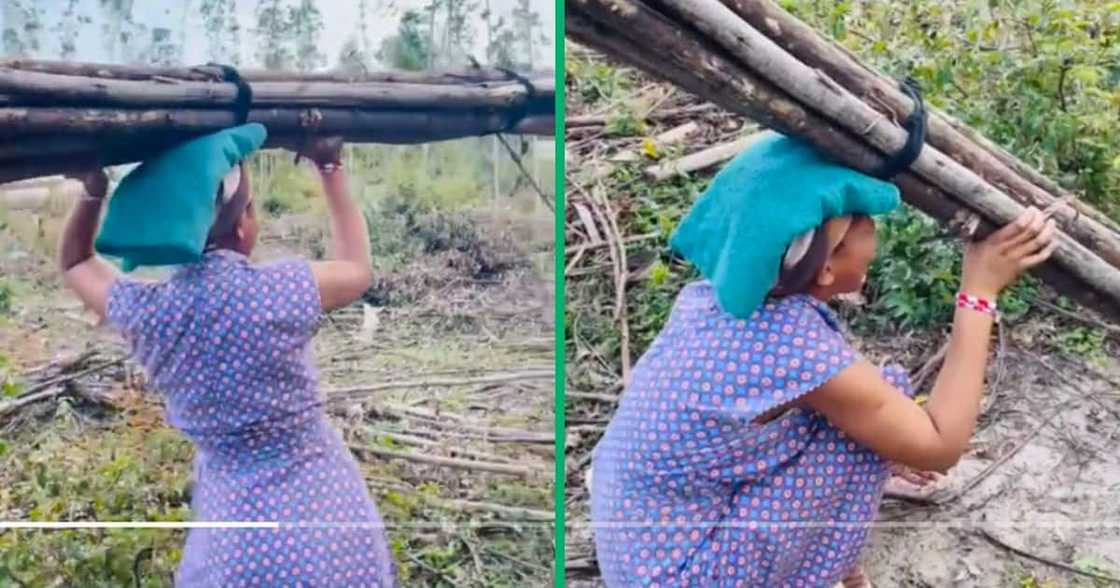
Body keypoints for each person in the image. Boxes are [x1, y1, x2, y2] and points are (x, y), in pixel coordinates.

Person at [588, 133, 1058, 587]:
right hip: (680, 576)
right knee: (862, 438)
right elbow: (940, 446)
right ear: (827, 264)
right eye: (857, 219)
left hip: (639, 549)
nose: (871, 226)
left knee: (865, 412)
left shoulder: (714, 297)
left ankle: (824, 554)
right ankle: (818, 570)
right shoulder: (791, 348)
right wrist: (978, 291)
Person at [58, 134, 396, 587]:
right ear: (243, 227)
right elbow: (357, 268)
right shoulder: (281, 290)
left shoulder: (148, 312)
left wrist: (92, 189)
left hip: (236, 539)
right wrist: (330, 167)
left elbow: (76, 261)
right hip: (327, 517)